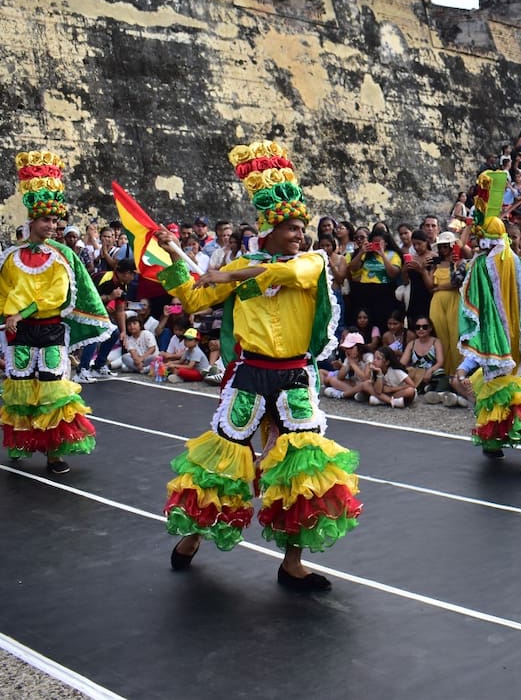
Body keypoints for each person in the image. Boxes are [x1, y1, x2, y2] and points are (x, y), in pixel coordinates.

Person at [158, 139, 361, 591]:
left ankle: (292, 563)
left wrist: (227, 274)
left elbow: (285, 273)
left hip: (293, 377)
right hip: (249, 375)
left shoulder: (311, 263)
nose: (300, 235)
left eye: (301, 228)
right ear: (268, 230)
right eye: (291, 228)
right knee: (225, 464)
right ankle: (193, 537)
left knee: (303, 470)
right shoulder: (247, 263)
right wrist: (174, 253)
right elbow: (194, 296)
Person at [1, 150, 114, 475]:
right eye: (46, 220)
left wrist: (23, 312)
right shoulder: (11, 257)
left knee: (52, 392)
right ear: (32, 221)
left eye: (55, 221)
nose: (52, 226)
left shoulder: (63, 255)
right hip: (19, 333)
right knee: (21, 390)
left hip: (50, 330)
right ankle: (21, 442)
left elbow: (58, 294)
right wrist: (10, 317)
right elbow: (4, 291)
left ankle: (53, 454)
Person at [452, 172, 521, 469]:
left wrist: (474, 346)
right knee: (495, 385)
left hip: (494, 337)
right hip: (517, 334)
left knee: (500, 387)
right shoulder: (517, 261)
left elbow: (473, 304)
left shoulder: (482, 263)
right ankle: (492, 443)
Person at [429, 231, 466, 375]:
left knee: (455, 336)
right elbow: (431, 285)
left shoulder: (460, 263)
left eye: (446, 246)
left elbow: (456, 283)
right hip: (437, 302)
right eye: (441, 246)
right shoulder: (436, 264)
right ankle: (442, 373)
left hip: (454, 300)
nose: (443, 249)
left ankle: (457, 373)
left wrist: (454, 263)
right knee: (440, 336)